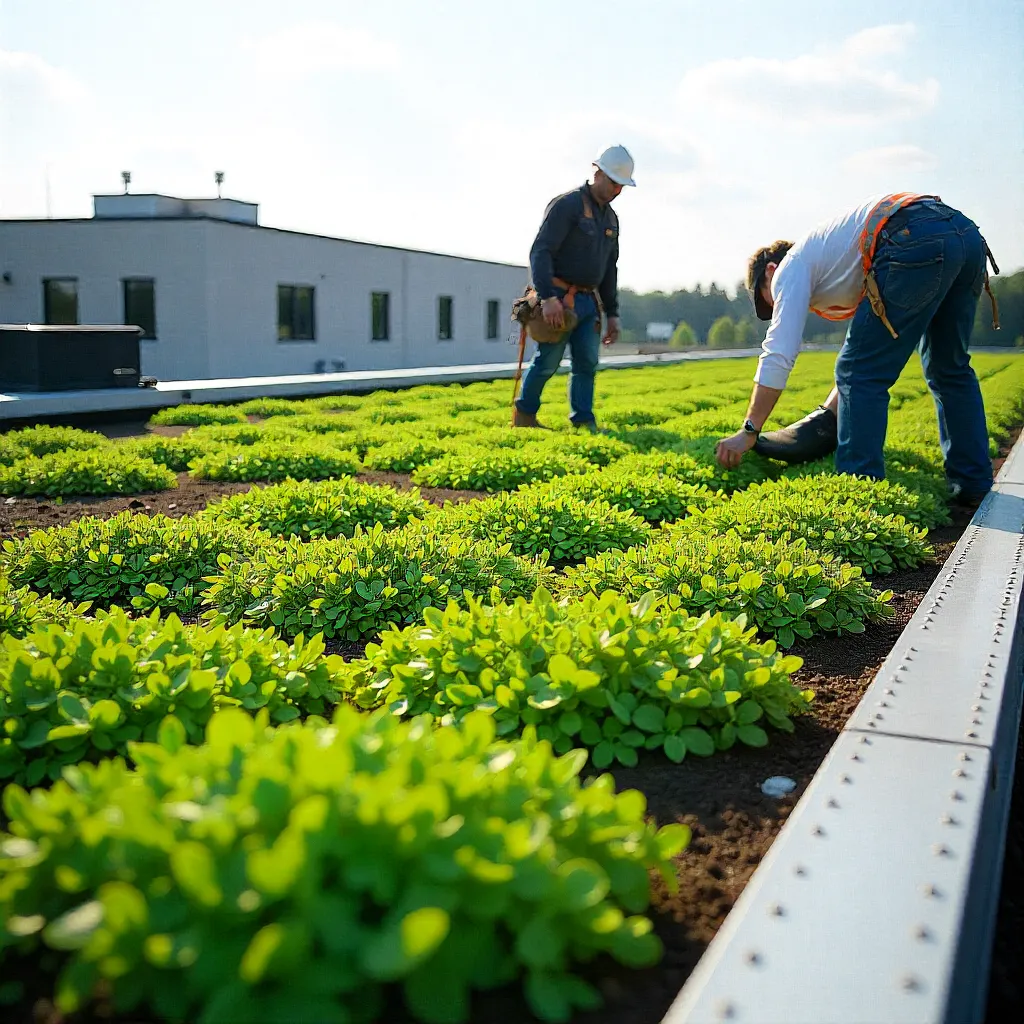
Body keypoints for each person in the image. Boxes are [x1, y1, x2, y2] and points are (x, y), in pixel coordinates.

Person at [716, 193, 998, 504]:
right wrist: (829, 417)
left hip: (911, 235)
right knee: (949, 367)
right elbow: (864, 353)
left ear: (770, 271)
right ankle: (972, 484)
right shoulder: (836, 258)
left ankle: (860, 491)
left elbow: (781, 352)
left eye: (768, 298)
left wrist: (750, 429)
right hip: (965, 237)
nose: (776, 306)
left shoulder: (789, 268)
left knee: (859, 371)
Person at [513, 145, 633, 431]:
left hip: (588, 303)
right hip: (558, 300)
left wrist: (613, 312)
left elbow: (609, 269)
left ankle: (583, 420)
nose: (617, 190)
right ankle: (524, 416)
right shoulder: (567, 206)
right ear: (598, 173)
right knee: (547, 362)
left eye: (621, 185)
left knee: (587, 363)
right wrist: (547, 298)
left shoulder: (611, 219)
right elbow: (540, 252)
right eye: (614, 182)